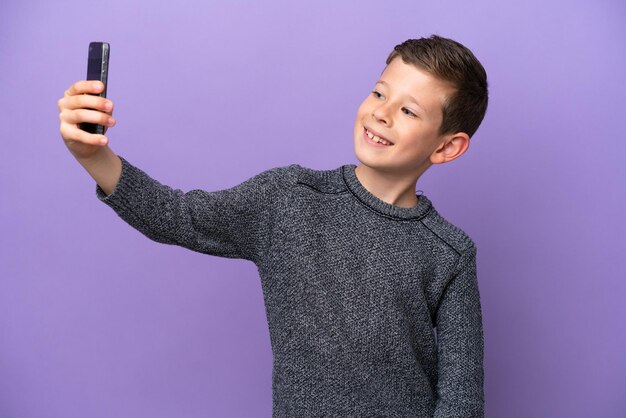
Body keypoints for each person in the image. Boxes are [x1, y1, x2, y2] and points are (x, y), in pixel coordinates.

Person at [58, 34, 488, 417]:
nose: (382, 114)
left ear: (447, 147)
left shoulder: (449, 252)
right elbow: (176, 216)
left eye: (409, 110)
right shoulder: (287, 199)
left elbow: (461, 399)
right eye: (379, 93)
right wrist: (93, 157)